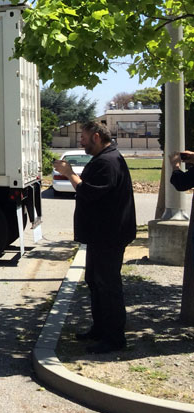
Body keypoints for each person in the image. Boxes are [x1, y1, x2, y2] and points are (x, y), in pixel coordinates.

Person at [54, 120, 136, 354]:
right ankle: (100, 329)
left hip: (109, 235)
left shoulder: (108, 162)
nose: (81, 141)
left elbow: (89, 192)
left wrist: (69, 173)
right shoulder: (105, 158)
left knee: (108, 285)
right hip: (101, 234)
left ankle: (114, 338)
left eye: (84, 137)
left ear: (97, 137)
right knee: (95, 281)